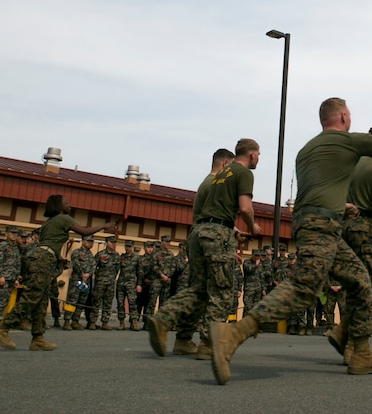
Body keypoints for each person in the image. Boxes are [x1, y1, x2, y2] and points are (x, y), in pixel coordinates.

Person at [209, 87, 372, 384]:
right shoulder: (346, 140)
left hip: (315, 222)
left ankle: (361, 352)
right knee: (303, 289)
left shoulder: (307, 150)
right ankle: (232, 334)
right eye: (349, 114)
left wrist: (344, 207)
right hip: (320, 226)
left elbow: (318, 191)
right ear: (342, 116)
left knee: (361, 281)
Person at [147, 142, 262, 359]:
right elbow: (244, 207)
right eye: (258, 155)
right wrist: (251, 227)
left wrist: (232, 232)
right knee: (220, 291)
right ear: (252, 154)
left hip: (200, 233)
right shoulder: (240, 172)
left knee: (198, 289)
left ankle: (174, 329)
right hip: (217, 235)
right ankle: (208, 344)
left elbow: (212, 212)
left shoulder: (216, 178)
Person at [0, 194, 115, 351]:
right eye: (66, 203)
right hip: (43, 259)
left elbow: (48, 243)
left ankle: (38, 337)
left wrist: (58, 258)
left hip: (42, 258)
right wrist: (104, 226)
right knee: (33, 296)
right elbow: (84, 231)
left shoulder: (49, 222)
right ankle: (3, 329)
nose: (70, 205)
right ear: (58, 206)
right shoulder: (63, 218)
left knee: (41, 300)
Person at [0, 226, 23, 325]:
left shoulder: (15, 248)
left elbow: (17, 264)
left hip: (12, 278)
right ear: (6, 234)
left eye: (16, 233)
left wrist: (16, 279)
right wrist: (0, 276)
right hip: (3, 277)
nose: (14, 235)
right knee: (1, 301)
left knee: (5, 301)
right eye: (12, 233)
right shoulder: (2, 245)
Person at [64, 235, 96, 330]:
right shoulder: (76, 252)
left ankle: (75, 320)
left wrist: (89, 274)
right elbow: (75, 264)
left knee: (82, 301)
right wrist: (82, 274)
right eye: (88, 241)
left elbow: (93, 266)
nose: (91, 243)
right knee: (72, 300)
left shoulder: (90, 254)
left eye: (92, 241)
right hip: (77, 279)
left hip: (86, 281)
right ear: (83, 241)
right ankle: (67, 321)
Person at [91, 235, 121, 330]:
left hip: (110, 283)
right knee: (96, 301)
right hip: (100, 282)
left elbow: (117, 269)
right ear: (107, 243)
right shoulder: (100, 254)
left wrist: (111, 278)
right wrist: (99, 276)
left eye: (115, 242)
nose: (113, 244)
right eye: (112, 242)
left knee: (108, 303)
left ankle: (105, 322)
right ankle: (92, 322)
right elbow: (94, 267)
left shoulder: (116, 255)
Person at [116, 240, 142, 330]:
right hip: (121, 283)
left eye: (129, 246)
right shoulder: (121, 257)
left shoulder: (137, 258)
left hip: (131, 284)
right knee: (120, 303)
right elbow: (116, 269)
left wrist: (139, 284)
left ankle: (133, 322)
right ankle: (121, 322)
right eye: (126, 246)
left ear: (132, 247)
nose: (128, 248)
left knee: (132, 303)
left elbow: (140, 272)